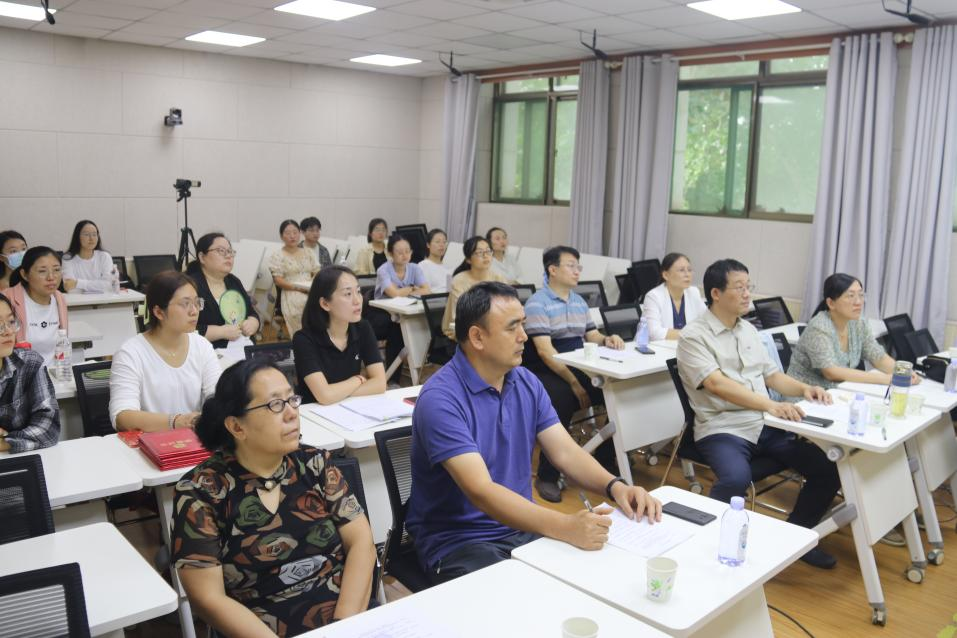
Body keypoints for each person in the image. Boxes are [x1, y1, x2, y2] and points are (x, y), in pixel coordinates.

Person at [407, 282, 662, 585]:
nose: (524, 336)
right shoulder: (441, 399)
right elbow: (482, 491)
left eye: (523, 324)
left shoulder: (525, 381)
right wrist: (566, 526)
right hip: (459, 541)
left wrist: (615, 487)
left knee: (594, 579)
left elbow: (566, 453)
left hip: (520, 526)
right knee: (521, 597)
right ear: (477, 337)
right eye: (512, 327)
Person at [172, 360, 376, 637]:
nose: (292, 413)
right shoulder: (201, 491)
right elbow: (208, 598)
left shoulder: (314, 464)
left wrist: (344, 626)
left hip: (344, 618)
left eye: (292, 399)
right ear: (236, 427)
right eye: (275, 405)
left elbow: (361, 542)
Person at [676, 259, 841, 569]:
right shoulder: (693, 336)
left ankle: (795, 539)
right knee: (735, 479)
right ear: (715, 293)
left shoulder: (748, 329)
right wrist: (770, 405)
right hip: (723, 427)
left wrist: (805, 389)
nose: (747, 293)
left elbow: (772, 376)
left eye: (748, 286)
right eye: (739, 287)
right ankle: (706, 546)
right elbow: (716, 384)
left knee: (827, 469)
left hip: (763, 424)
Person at [523, 246, 624, 503]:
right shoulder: (537, 303)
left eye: (578, 266)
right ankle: (547, 475)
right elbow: (545, 352)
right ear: (552, 270)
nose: (577, 271)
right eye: (571, 266)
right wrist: (574, 383)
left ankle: (605, 457)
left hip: (575, 363)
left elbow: (592, 335)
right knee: (561, 399)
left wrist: (607, 339)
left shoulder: (579, 301)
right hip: (544, 368)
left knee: (615, 392)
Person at [110, 271, 221, 432]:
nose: (194, 311)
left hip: (194, 438)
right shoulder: (131, 353)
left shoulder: (201, 345)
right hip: (149, 441)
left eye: (197, 302)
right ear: (158, 312)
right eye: (185, 304)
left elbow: (217, 395)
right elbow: (122, 417)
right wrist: (175, 422)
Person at [787, 273, 920, 390]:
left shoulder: (859, 323)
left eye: (861, 295)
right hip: (805, 397)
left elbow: (877, 356)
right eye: (850, 296)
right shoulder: (819, 327)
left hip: (838, 393)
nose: (858, 302)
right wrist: (886, 379)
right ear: (831, 303)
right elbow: (831, 372)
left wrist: (903, 372)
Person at [294, 265, 386, 405]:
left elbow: (380, 384)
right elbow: (324, 396)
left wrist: (337, 393)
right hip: (315, 413)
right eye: (348, 294)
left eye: (358, 291)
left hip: (349, 408)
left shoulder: (363, 328)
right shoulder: (303, 339)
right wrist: (357, 380)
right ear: (325, 303)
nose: (357, 300)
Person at [0, 292, 60, 453]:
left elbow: (49, 428)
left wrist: (6, 442)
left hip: (17, 459)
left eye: (11, 322)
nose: (8, 331)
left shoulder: (29, 363)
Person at [369, 234, 430, 384]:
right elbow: (393, 294)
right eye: (400, 252)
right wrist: (412, 289)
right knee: (397, 329)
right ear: (390, 253)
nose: (405, 255)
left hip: (404, 311)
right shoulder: (384, 269)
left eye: (408, 251)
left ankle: (417, 371)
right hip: (381, 313)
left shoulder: (414, 268)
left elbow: (427, 290)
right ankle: (392, 379)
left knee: (419, 325)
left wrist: (404, 291)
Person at [187, 233, 260, 350]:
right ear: (202, 257)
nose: (228, 256)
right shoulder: (190, 286)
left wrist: (253, 322)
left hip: (246, 349)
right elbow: (185, 330)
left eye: (230, 251)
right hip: (211, 353)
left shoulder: (234, 281)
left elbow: (251, 313)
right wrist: (220, 332)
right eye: (221, 251)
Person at [6, 247, 68, 366]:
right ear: (24, 274)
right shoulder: (8, 300)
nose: (51, 277)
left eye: (56, 270)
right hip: (20, 374)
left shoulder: (59, 299)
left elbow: (63, 344)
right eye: (42, 271)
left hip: (55, 372)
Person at [442, 236, 506, 339]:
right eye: (479, 252)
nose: (485, 256)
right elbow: (459, 316)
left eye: (488, 251)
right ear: (468, 259)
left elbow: (506, 307)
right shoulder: (459, 280)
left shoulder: (498, 278)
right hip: (464, 330)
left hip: (492, 329)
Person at [641, 252, 707, 341]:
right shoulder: (653, 296)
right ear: (666, 275)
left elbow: (706, 322)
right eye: (681, 270)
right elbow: (654, 333)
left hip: (685, 345)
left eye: (689, 270)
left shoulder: (693, 292)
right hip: (656, 347)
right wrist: (692, 334)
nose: (687, 274)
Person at [269, 220, 319, 337]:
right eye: (288, 233)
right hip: (291, 292)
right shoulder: (277, 255)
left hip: (311, 290)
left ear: (300, 234)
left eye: (295, 232)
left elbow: (317, 272)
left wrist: (312, 285)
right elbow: (278, 280)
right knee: (301, 311)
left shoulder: (308, 252)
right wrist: (298, 288)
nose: (292, 236)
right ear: (281, 236)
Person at [61, 220, 115, 293]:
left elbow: (108, 285)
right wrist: (98, 285)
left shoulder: (104, 256)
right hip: (77, 300)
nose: (91, 238)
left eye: (94, 234)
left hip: (103, 299)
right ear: (77, 237)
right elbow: (70, 288)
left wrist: (77, 283)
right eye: (86, 234)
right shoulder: (67, 258)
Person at [417, 228, 453, 293]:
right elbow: (425, 291)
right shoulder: (423, 266)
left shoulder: (449, 267)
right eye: (437, 242)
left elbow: (449, 290)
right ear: (428, 245)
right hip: (432, 298)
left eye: (444, 242)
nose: (442, 245)